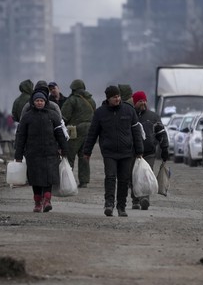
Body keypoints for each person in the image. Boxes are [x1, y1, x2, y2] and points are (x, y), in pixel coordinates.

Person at [83, 85, 144, 217]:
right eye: (114, 97)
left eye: (118, 96)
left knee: (124, 180)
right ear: (108, 99)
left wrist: (139, 150)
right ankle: (109, 203)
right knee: (110, 177)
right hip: (109, 152)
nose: (117, 99)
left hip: (126, 152)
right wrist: (87, 151)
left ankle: (121, 207)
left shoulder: (129, 110)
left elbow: (136, 132)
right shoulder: (100, 113)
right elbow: (92, 133)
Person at [14, 91, 68, 213]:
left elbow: (60, 134)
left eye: (42, 101)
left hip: (50, 152)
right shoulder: (27, 117)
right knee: (35, 179)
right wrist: (18, 154)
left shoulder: (53, 116)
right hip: (33, 153)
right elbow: (21, 137)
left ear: (45, 102)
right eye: (37, 101)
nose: (39, 102)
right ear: (33, 102)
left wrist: (64, 149)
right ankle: (38, 202)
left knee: (49, 177)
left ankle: (47, 200)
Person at [130, 90, 169, 210]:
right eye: (140, 101)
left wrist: (165, 148)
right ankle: (135, 199)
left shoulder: (153, 116)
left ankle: (145, 198)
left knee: (146, 174)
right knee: (133, 176)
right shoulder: (130, 115)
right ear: (135, 103)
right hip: (132, 152)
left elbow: (161, 133)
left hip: (149, 152)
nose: (143, 103)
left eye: (144, 100)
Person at [61, 79, 96, 188]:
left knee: (69, 156)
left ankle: (68, 180)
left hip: (74, 131)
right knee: (84, 156)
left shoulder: (71, 100)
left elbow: (64, 116)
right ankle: (84, 181)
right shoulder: (91, 100)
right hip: (90, 130)